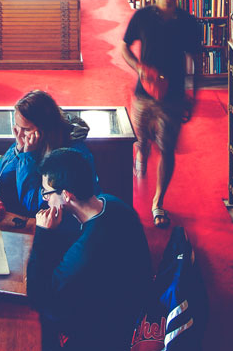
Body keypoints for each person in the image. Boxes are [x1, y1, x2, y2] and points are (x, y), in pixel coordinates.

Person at [27, 148, 151, 351]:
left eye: (47, 193)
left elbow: (37, 296)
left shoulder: (86, 251)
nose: (45, 199)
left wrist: (43, 234)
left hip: (103, 333)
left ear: (66, 195)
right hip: (129, 306)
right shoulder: (113, 203)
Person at [122, 0, 201, 227]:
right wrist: (139, 68)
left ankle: (158, 202)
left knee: (167, 149)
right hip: (144, 93)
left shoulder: (189, 23)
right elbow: (125, 47)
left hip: (174, 95)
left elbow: (195, 60)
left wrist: (193, 94)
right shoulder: (143, 17)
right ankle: (141, 157)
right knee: (141, 140)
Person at [0, 89, 96, 216]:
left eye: (26, 129)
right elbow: (1, 176)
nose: (18, 133)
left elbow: (33, 205)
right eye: (17, 126)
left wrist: (27, 157)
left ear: (44, 129)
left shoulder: (69, 156)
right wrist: (18, 148)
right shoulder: (30, 140)